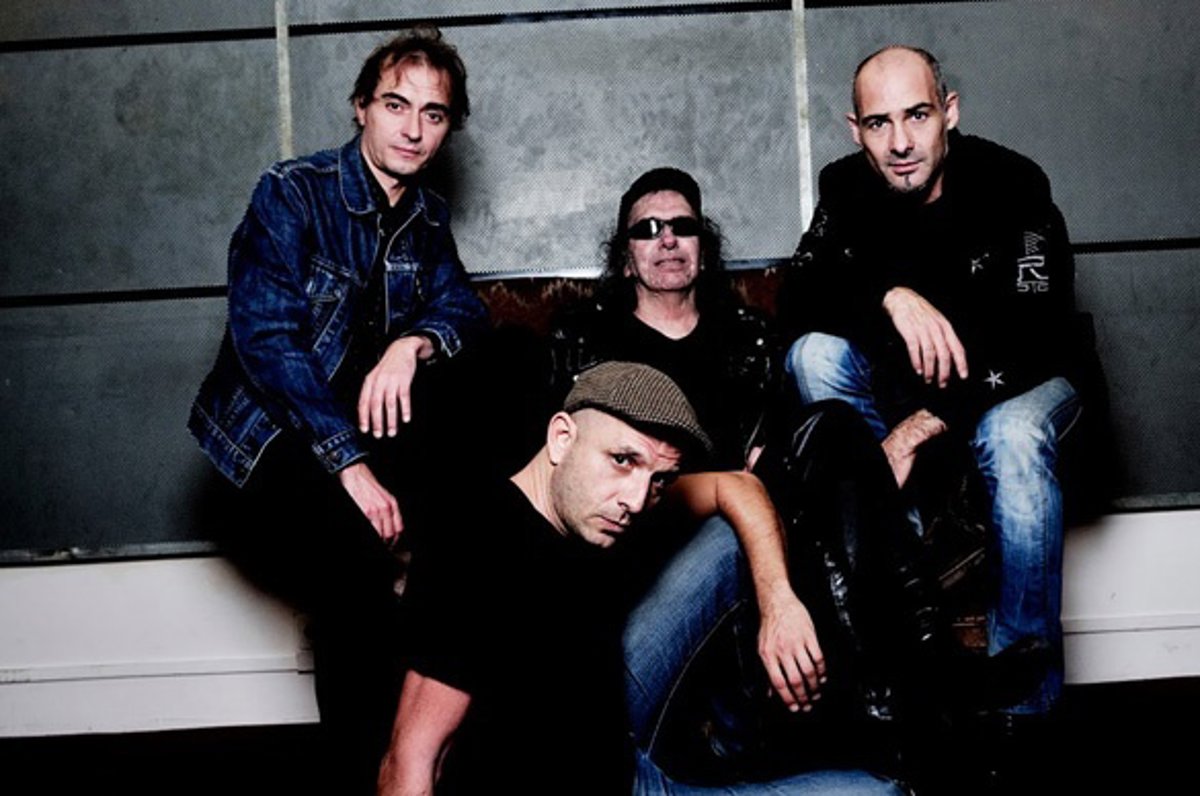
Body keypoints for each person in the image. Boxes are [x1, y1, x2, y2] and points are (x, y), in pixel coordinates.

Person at [550, 169, 943, 789]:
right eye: (647, 230)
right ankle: (906, 683)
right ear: (625, 257)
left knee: (831, 428)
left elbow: (782, 454)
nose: (667, 240)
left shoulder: (751, 337)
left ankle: (907, 670)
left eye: (682, 227)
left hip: (756, 524)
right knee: (746, 512)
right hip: (653, 543)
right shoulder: (586, 341)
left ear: (704, 247)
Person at [187, 28, 487, 794]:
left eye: (433, 114)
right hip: (276, 435)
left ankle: (421, 750)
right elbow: (267, 341)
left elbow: (463, 308)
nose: (413, 129)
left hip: (371, 436)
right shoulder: (292, 192)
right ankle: (373, 774)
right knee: (355, 574)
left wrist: (413, 343)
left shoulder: (426, 218)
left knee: (497, 391)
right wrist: (348, 466)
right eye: (395, 105)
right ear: (361, 108)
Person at [377, 361, 905, 795]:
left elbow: (738, 488)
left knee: (732, 531)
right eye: (622, 460)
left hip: (610, 733)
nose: (635, 500)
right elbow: (411, 759)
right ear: (561, 438)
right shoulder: (476, 546)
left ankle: (738, 745)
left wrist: (779, 605)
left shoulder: (611, 502)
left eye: (658, 479)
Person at [781, 45, 1088, 784]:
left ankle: (1025, 706)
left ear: (949, 112)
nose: (900, 142)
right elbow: (799, 302)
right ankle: (901, 608)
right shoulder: (845, 187)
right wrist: (889, 295)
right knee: (814, 355)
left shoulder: (1015, 184)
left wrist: (921, 424)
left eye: (917, 115)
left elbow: (1033, 332)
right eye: (879, 123)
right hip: (906, 392)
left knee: (1011, 434)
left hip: (1028, 378)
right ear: (855, 129)